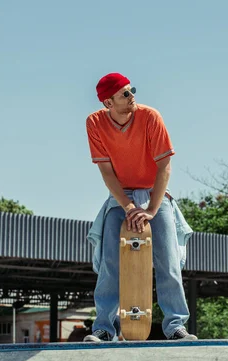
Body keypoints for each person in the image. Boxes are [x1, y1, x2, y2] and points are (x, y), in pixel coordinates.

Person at [83, 72, 197, 342]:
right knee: (111, 260)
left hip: (155, 193)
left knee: (167, 259)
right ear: (108, 103)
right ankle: (104, 329)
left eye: (132, 89)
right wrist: (129, 205)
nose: (131, 95)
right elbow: (107, 172)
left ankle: (175, 326)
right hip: (120, 195)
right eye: (124, 93)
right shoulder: (95, 123)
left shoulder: (150, 117)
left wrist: (152, 210)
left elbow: (164, 167)